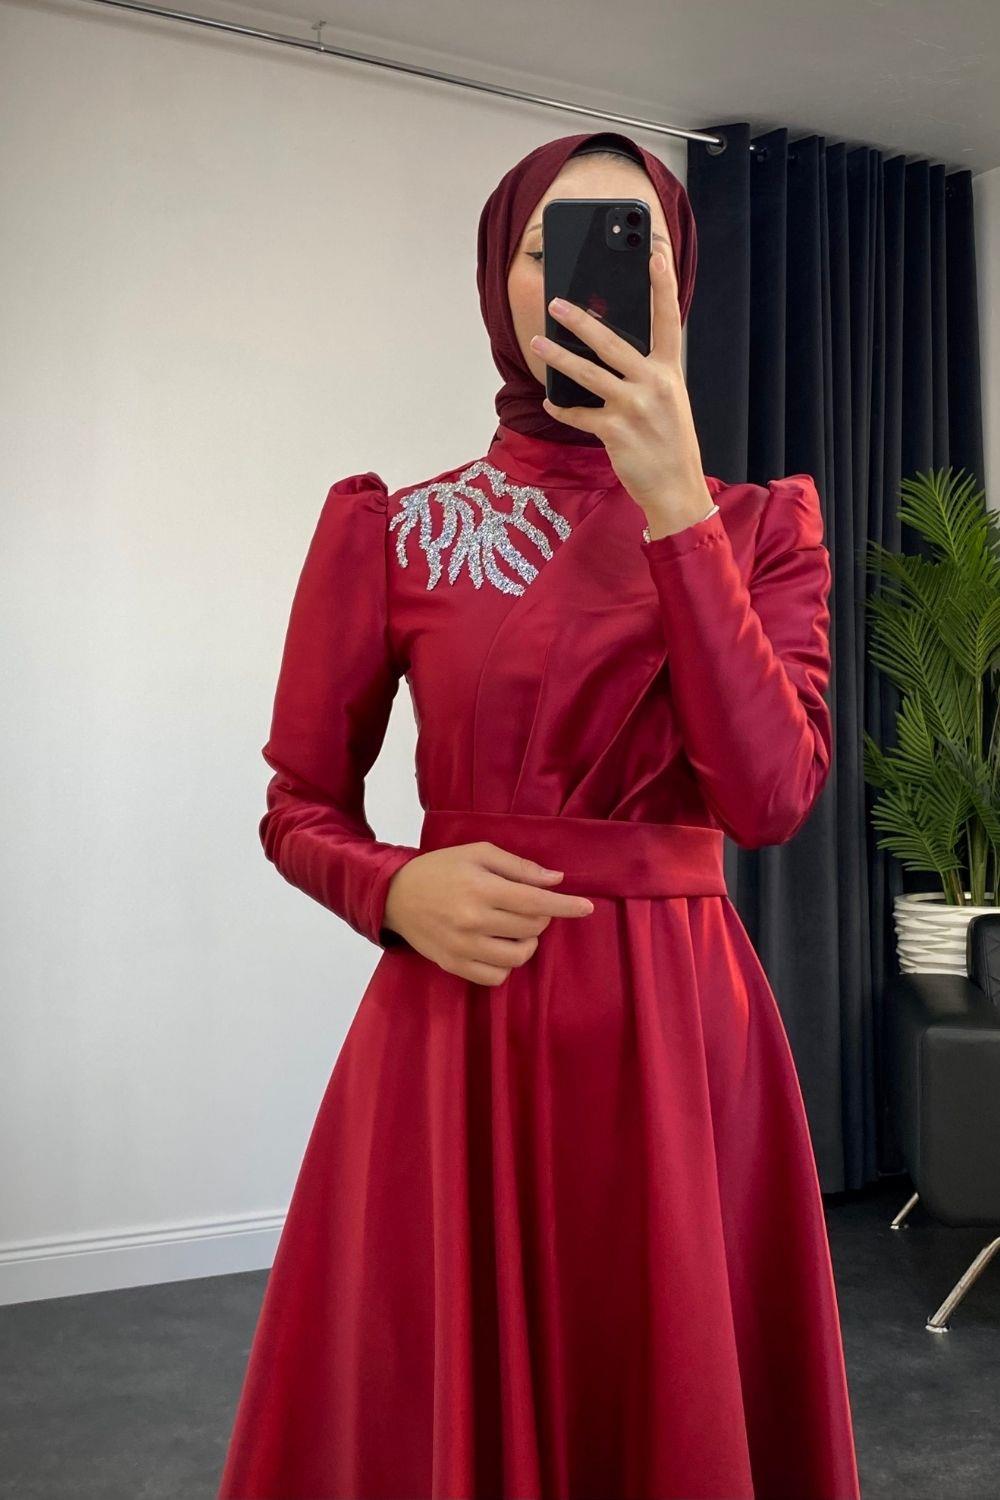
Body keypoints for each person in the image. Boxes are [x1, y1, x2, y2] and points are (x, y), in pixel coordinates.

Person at [217, 129, 862, 1500]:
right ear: (494, 280)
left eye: (633, 241)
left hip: (680, 1035)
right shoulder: (393, 529)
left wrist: (677, 503)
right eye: (543, 243)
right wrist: (393, 888)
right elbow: (298, 803)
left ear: (679, 279)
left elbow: (768, 798)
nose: (583, 274)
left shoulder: (763, 529)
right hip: (460, 1026)